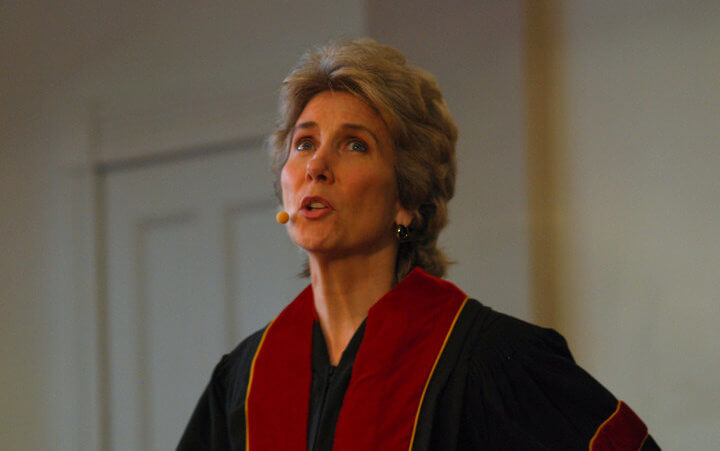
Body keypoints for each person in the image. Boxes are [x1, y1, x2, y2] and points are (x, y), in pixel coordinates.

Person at [179, 38, 658, 450]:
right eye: (304, 143)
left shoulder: (490, 362)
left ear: (406, 199)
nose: (316, 166)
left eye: (355, 145)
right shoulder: (245, 380)